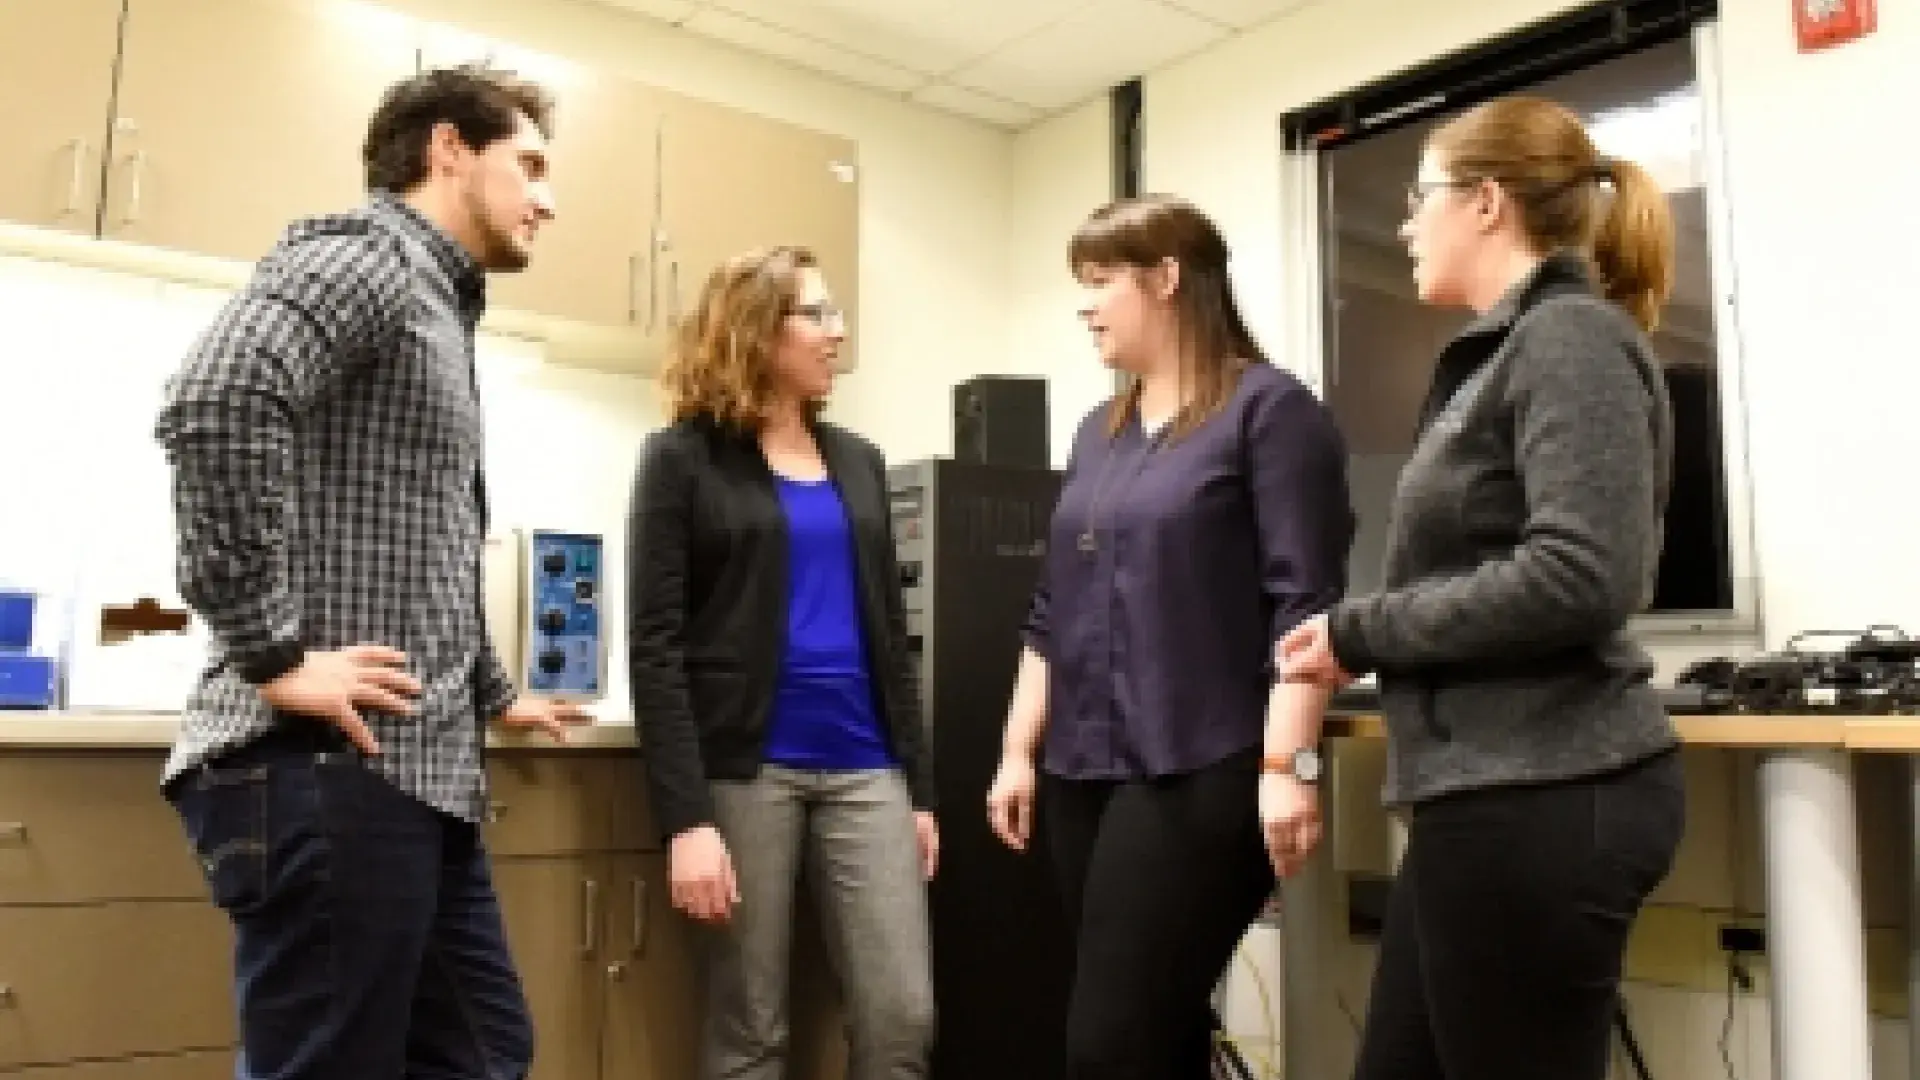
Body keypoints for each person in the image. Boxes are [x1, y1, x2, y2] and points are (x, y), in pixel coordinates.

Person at [154, 64, 587, 1080]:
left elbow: (424, 541)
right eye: (529, 165)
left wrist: (494, 693)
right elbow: (217, 399)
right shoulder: (369, 259)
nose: (549, 200)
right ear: (449, 149)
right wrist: (269, 651)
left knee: (483, 1054)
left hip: (408, 777)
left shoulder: (438, 306)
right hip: (326, 769)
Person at [1278, 94, 1686, 1080]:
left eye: (1419, 198)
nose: (1406, 225)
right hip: (1488, 794)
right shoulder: (1503, 354)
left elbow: (1583, 574)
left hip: (1548, 792)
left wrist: (1362, 631)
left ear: (1487, 203)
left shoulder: (1569, 338)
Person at [983, 194, 1355, 1079]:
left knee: (1110, 1049)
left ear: (1166, 279)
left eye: (1100, 281)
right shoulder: (1099, 431)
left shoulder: (1272, 412)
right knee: (1161, 1033)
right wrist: (1016, 751)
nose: (1085, 307)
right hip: (1081, 773)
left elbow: (1305, 612)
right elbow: (1053, 608)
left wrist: (1289, 768)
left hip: (1204, 769)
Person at [626, 245, 937, 1080]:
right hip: (745, 769)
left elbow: (890, 634)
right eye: (818, 314)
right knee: (750, 1026)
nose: (839, 333)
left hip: (867, 763)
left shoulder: (859, 462)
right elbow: (654, 646)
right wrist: (686, 821)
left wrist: (919, 790)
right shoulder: (681, 459)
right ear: (759, 330)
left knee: (902, 1016)